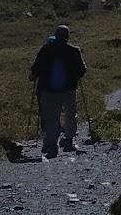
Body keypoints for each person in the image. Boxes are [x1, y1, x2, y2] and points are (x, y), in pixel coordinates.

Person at [30, 24, 87, 158]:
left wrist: (32, 77)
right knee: (70, 115)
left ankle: (51, 145)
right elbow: (82, 70)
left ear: (55, 35)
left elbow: (36, 69)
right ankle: (68, 141)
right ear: (67, 36)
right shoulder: (74, 51)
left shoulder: (46, 49)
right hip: (69, 89)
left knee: (51, 117)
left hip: (48, 90)